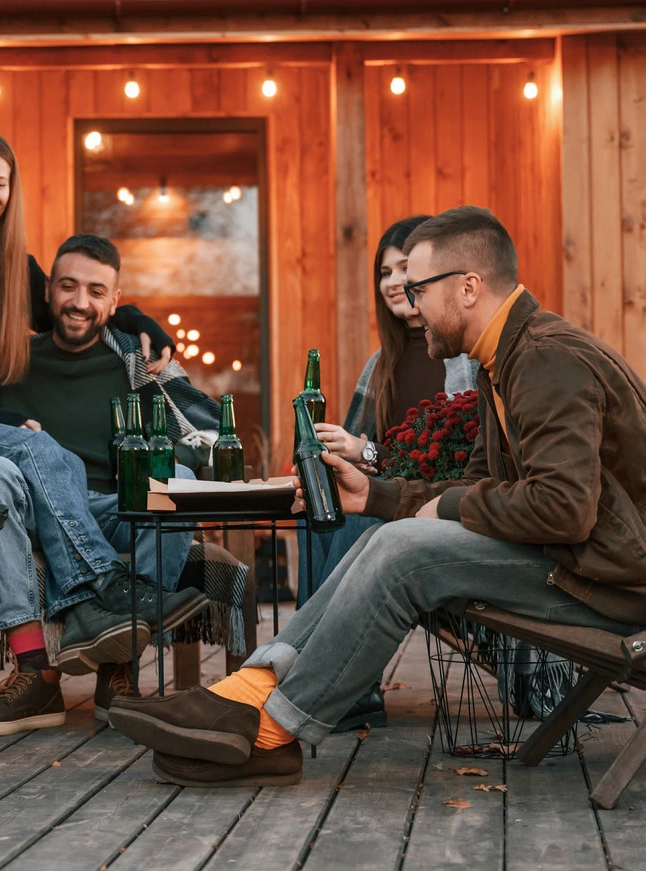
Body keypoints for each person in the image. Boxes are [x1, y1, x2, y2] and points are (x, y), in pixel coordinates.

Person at [108, 206, 646, 788]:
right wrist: (380, 493)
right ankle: (248, 693)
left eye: (419, 288)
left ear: (468, 287)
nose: (410, 304)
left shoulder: (544, 358)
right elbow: (477, 483)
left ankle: (268, 729)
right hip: (581, 563)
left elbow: (564, 508)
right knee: (393, 538)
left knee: (405, 554)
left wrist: (442, 508)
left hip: (611, 582)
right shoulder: (504, 360)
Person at [0, 132, 200, 688]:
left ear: (11, 189)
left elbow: (72, 307)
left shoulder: (12, 264)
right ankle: (103, 590)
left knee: (71, 460)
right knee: (40, 446)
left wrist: (141, 319)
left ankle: (111, 646)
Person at [0, 234, 219, 736]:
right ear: (48, 291)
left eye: (96, 291)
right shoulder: (6, 359)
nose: (79, 302)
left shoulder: (135, 365)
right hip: (30, 514)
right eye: (68, 287)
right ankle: (37, 673)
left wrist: (158, 453)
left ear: (115, 302)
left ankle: (118, 666)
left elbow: (189, 440)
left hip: (114, 510)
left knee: (180, 479)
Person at [299, 215, 479, 733]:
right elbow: (357, 462)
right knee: (322, 506)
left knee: (358, 517)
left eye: (406, 268)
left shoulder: (464, 358)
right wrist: (329, 464)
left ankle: (341, 680)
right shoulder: (381, 363)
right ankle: (335, 676)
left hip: (440, 511)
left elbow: (461, 463)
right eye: (385, 271)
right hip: (389, 503)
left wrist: (367, 453)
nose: (395, 281)